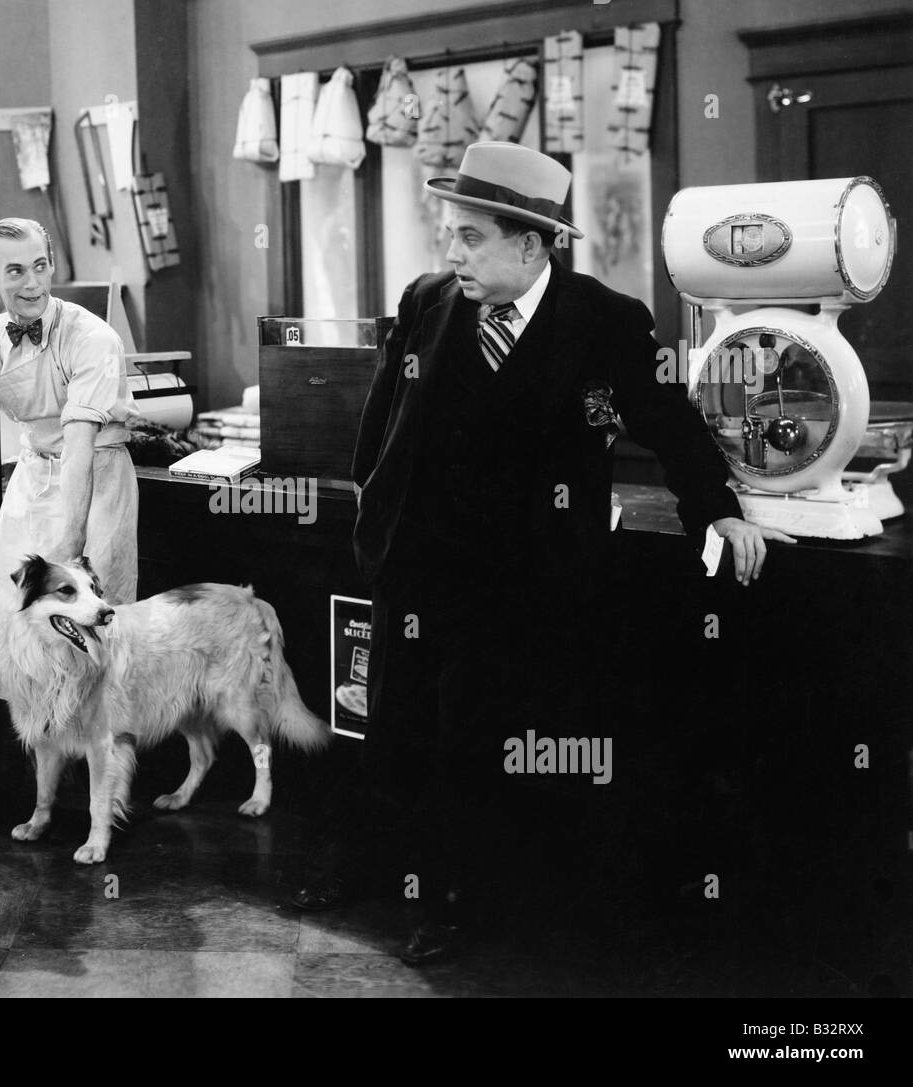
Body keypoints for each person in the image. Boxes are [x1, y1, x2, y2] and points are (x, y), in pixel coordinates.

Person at [290, 142, 795, 965]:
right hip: (418, 566)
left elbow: (669, 423)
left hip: (522, 584)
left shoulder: (604, 321)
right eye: (447, 233)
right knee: (392, 728)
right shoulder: (426, 302)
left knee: (475, 742)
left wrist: (722, 513)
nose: (451, 253)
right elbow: (378, 431)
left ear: (531, 244)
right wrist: (375, 531)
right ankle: (372, 867)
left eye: (470, 237)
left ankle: (454, 901)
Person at [0, 217, 139, 696]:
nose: (32, 283)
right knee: (0, 614)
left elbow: (80, 442)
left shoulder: (94, 338)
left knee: (90, 629)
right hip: (31, 477)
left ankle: (95, 761)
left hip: (97, 482)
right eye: (15, 271)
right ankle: (18, 757)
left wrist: (71, 545)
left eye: (40, 266)